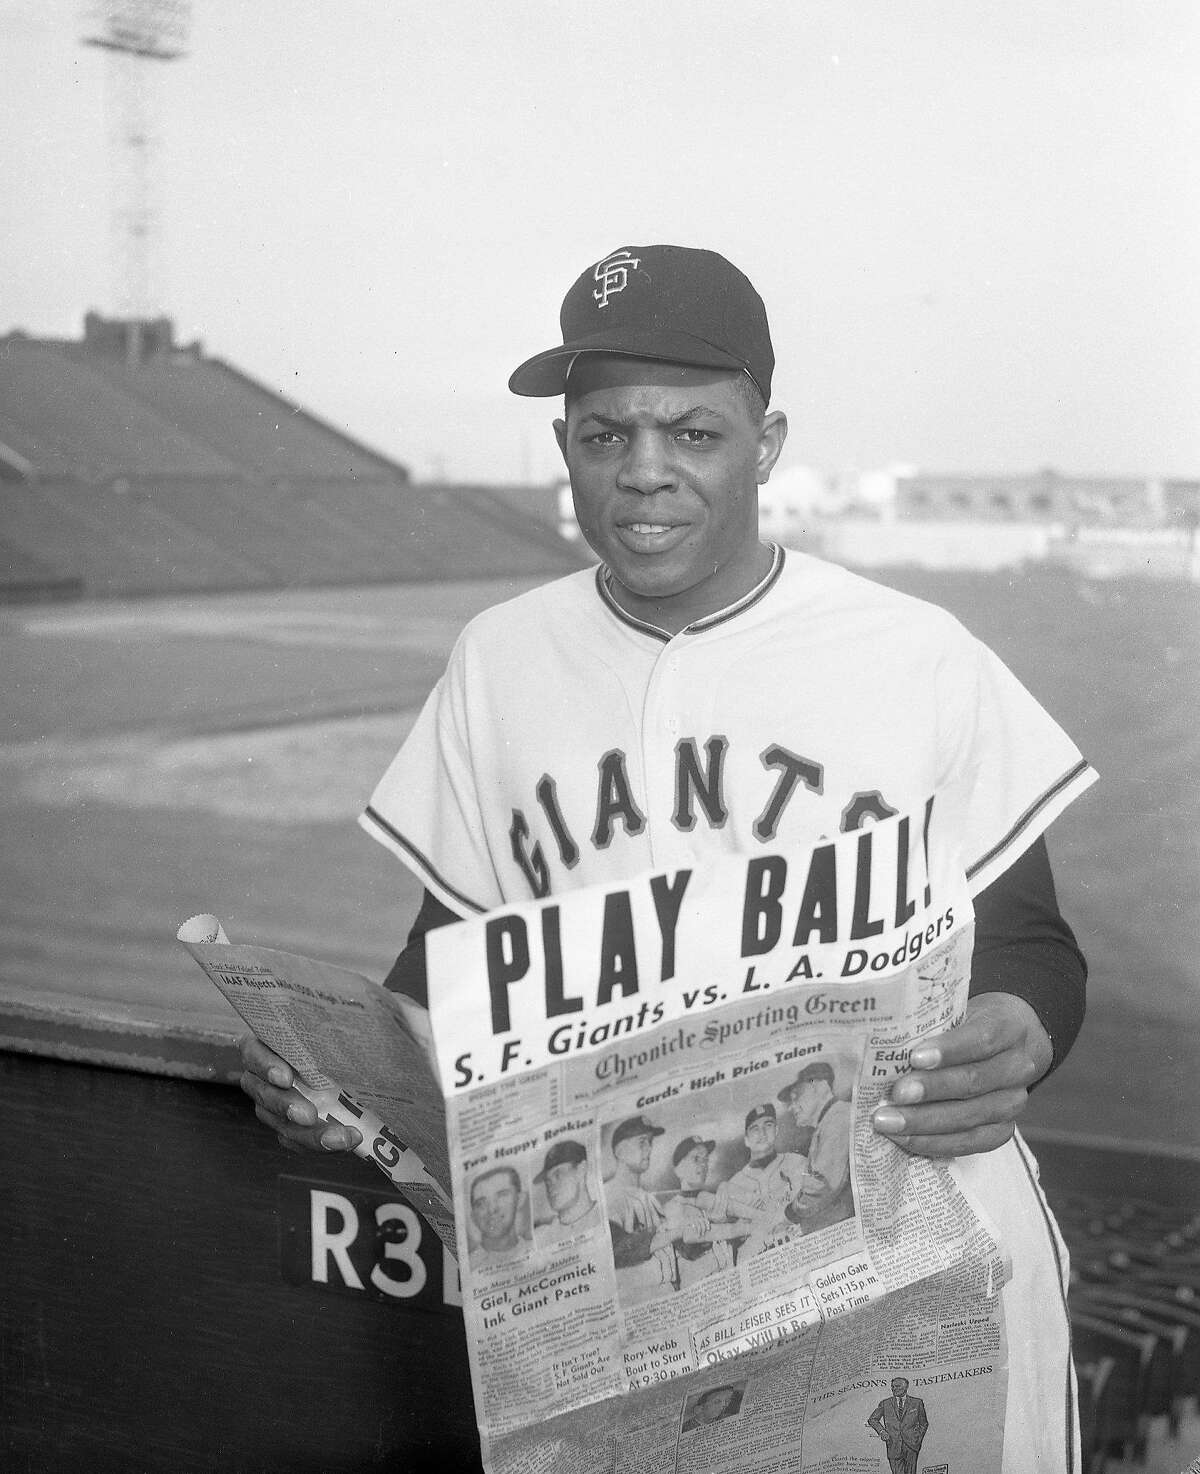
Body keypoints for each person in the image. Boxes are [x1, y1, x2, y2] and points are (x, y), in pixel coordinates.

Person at [239, 243, 1095, 1470]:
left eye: (692, 434)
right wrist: (347, 1068)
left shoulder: (916, 654)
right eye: (604, 436)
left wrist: (1020, 1023)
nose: (644, 474)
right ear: (568, 447)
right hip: (639, 1267)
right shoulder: (502, 657)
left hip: (911, 1227)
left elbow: (1032, 943)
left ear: (768, 439)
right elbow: (453, 954)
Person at [603, 1114, 706, 1303]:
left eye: (650, 1142)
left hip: (666, 1294)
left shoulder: (649, 1198)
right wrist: (678, 1231)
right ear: (619, 1151)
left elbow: (676, 1246)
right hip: (636, 1299)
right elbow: (618, 1249)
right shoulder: (610, 1195)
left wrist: (702, 1227)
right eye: (642, 1142)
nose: (649, 1149)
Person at [720, 1104, 809, 1258]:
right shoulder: (734, 1185)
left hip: (798, 1247)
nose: (762, 1133)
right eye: (754, 1128)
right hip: (757, 1257)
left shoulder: (797, 1162)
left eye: (768, 1125)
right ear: (746, 1140)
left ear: (776, 1130)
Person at [777, 1062, 854, 1235]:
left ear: (820, 1086)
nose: (791, 1107)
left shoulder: (838, 1118)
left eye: (796, 1096)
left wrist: (790, 1214)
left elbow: (822, 1186)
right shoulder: (828, 1121)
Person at [669, 1134, 753, 1284]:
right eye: (696, 1159)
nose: (703, 1165)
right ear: (678, 1170)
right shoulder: (672, 1208)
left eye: (705, 1160)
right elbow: (689, 1250)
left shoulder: (711, 1200)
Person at [534, 1140, 603, 1243]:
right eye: (547, 1181)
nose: (551, 1186)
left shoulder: (605, 1218)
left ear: (581, 1170)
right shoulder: (541, 1237)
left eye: (558, 1175)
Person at [467, 1165, 529, 1269]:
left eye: (501, 1195)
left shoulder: (542, 1248)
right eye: (481, 1204)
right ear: (473, 1217)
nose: (492, 1209)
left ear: (520, 1200)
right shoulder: (470, 1266)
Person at [867, 1377, 928, 1474]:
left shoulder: (917, 1403)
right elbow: (872, 1419)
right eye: (892, 1387)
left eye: (897, 1386)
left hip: (912, 1446)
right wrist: (882, 1431)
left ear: (906, 1387)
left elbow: (923, 1423)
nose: (894, 1389)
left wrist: (917, 1438)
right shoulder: (885, 1403)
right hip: (893, 1446)